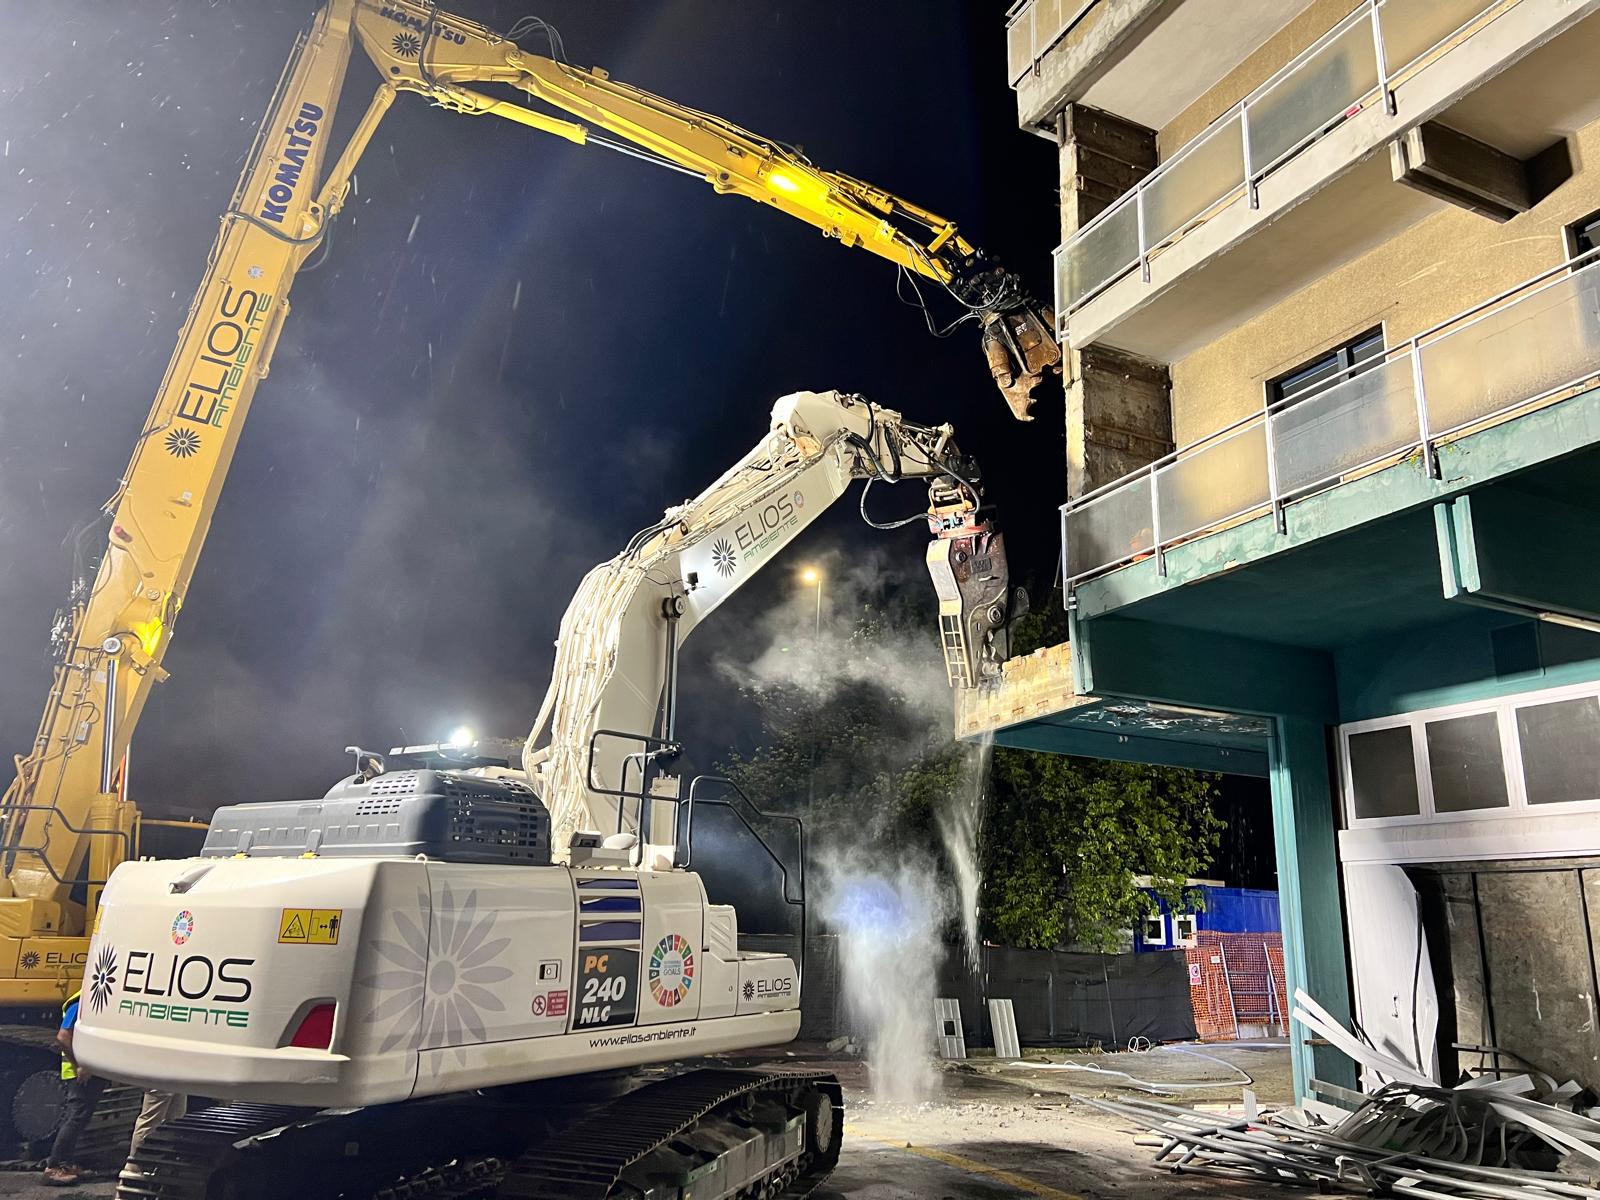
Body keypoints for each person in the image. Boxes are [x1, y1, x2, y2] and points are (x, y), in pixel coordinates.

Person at [42, 989, 106, 1187]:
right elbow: (63, 1036)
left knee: (80, 1117)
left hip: (90, 1070)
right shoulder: (80, 1002)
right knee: (75, 1117)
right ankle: (53, 1167)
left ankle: (66, 1164)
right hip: (79, 1072)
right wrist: (80, 1064)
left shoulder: (92, 999)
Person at [121, 1089, 187, 1181]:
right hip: (163, 1079)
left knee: (175, 1121)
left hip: (179, 1078)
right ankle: (134, 1167)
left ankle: (164, 1167)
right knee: (150, 1120)